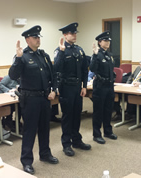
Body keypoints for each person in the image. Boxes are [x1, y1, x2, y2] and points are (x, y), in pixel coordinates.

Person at [9, 25, 59, 175]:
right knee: (30, 131)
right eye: (35, 37)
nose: (38, 40)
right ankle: (26, 161)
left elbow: (53, 75)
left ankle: (45, 154)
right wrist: (18, 58)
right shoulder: (22, 56)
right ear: (27, 39)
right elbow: (12, 75)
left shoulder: (44, 55)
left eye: (39, 37)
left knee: (45, 128)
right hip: (30, 100)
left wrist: (54, 90)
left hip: (44, 98)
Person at [54, 22, 91, 156]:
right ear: (65, 35)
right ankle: (66, 144)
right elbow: (56, 68)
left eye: (75, 33)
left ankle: (76, 140)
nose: (74, 35)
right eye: (71, 33)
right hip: (66, 87)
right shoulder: (60, 50)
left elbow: (84, 70)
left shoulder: (79, 50)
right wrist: (62, 52)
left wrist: (84, 86)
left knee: (77, 115)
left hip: (77, 87)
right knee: (68, 116)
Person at [90, 30, 117, 144]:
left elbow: (111, 70)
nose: (108, 43)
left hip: (109, 85)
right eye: (105, 41)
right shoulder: (97, 54)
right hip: (100, 86)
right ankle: (97, 134)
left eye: (108, 41)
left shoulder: (109, 55)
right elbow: (92, 68)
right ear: (100, 42)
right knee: (98, 111)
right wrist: (95, 55)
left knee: (108, 110)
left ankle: (108, 131)